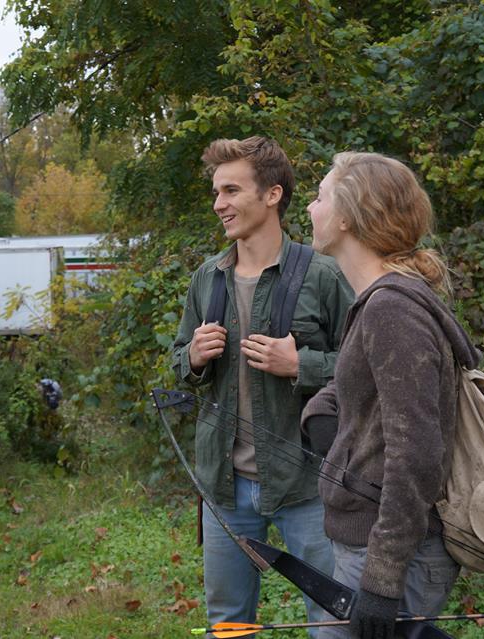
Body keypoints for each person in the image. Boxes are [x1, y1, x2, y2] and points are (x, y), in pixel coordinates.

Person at [171, 136, 353, 629]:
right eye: (216, 192)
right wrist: (192, 357)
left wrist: (303, 366)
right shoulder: (206, 279)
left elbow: (367, 368)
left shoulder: (324, 275)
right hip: (224, 486)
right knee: (228, 621)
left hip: (308, 483)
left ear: (272, 195)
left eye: (231, 191)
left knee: (332, 618)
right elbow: (177, 366)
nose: (219, 204)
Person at [301, 152, 479, 639]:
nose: (310, 210)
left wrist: (381, 580)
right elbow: (361, 382)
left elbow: (417, 453)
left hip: (395, 554)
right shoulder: (381, 300)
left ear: (347, 216)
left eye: (320, 197)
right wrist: (324, 411)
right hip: (374, 543)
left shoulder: (392, 310)